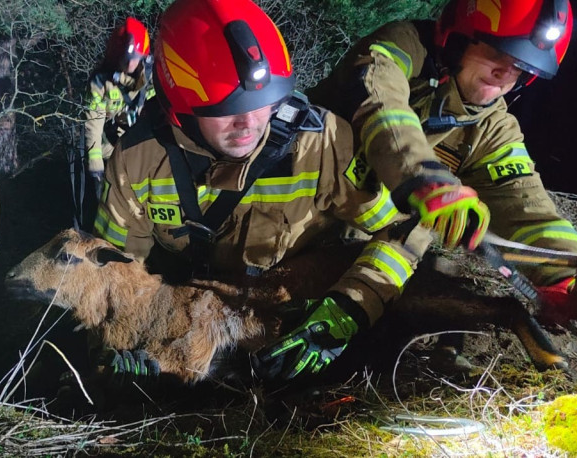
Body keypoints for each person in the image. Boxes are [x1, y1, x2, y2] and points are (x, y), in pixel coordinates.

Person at [93, 0, 431, 382]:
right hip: (192, 322)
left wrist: (347, 310)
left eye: (263, 103)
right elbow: (115, 274)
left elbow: (404, 231)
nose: (249, 123)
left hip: (297, 315)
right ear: (180, 106)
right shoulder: (137, 160)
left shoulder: (318, 144)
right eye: (226, 107)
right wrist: (118, 347)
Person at [307, 0, 577, 347]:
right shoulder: (402, 45)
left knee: (416, 255)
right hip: (290, 199)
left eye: (521, 65)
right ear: (459, 37)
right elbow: (382, 104)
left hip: (348, 244)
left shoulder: (494, 128)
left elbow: (529, 210)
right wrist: (428, 182)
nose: (505, 73)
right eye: (497, 52)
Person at [83, 17, 155, 183]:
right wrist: (96, 163)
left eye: (134, 58)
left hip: (147, 145)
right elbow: (94, 121)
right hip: (114, 145)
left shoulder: (153, 77)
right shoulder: (100, 81)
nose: (130, 63)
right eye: (125, 58)